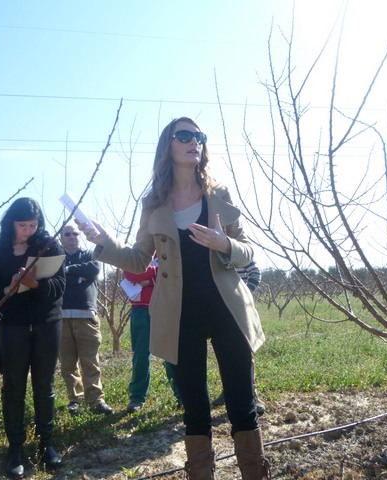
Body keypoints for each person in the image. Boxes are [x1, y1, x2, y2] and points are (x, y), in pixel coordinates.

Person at [79, 117, 269, 479]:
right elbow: (139, 259)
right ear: (168, 145)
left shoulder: (219, 194)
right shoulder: (154, 203)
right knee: (195, 411)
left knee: (242, 406)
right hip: (180, 316)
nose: (194, 141)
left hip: (228, 310)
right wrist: (105, 243)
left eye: (199, 136)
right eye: (185, 135)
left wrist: (224, 244)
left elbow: (247, 251)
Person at [0, 197, 65, 478]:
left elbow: (59, 287)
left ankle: (46, 444)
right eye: (23, 225)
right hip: (13, 326)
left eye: (33, 225)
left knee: (44, 384)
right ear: (11, 223)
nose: (29, 230)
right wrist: (9, 288)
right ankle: (15, 448)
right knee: (14, 386)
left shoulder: (49, 247)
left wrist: (36, 284)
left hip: (47, 324)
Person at [58, 223, 113, 415]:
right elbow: (54, 277)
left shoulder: (89, 254)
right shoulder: (55, 257)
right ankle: (75, 400)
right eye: (67, 234)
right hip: (61, 318)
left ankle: (96, 400)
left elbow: (94, 270)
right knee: (68, 364)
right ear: (61, 237)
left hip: (87, 317)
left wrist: (67, 271)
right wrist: (79, 277)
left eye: (75, 233)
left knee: (90, 361)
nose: (72, 237)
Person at [124, 259, 182, 414]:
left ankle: (182, 395)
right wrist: (157, 274)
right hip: (140, 311)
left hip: (165, 309)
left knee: (171, 355)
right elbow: (129, 273)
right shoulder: (139, 252)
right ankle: (137, 397)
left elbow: (173, 273)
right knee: (140, 355)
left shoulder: (168, 251)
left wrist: (147, 279)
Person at [213, 259, 266, 415]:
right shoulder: (215, 254)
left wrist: (244, 293)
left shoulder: (239, 252)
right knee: (224, 354)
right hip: (220, 309)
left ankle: (252, 394)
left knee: (245, 354)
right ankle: (227, 391)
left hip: (241, 309)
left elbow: (255, 272)